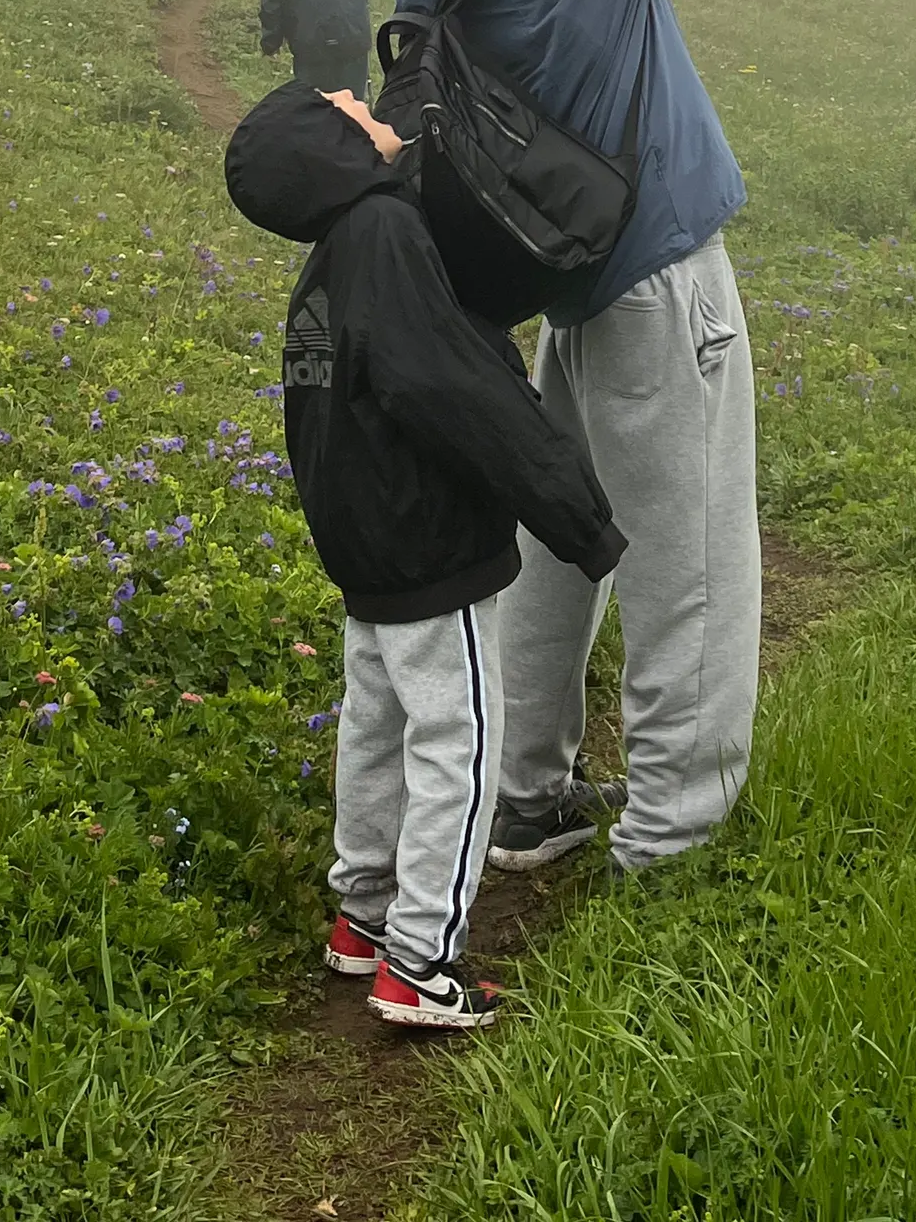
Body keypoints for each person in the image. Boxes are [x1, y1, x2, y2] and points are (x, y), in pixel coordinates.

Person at [369, 0, 885, 880]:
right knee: (695, 557)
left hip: (568, 292)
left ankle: (524, 798)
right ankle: (678, 839)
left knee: (563, 545)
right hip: (657, 276)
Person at [224, 79, 626, 1030]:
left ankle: (361, 918)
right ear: (332, 147)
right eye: (345, 104)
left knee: (374, 730)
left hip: (365, 552)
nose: (364, 96)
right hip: (429, 547)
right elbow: (458, 391)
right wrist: (576, 515)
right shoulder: (387, 242)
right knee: (461, 742)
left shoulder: (331, 260)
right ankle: (420, 963)